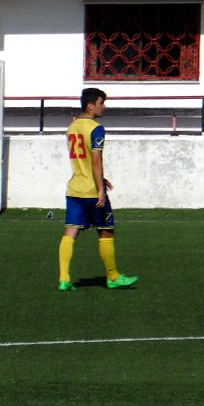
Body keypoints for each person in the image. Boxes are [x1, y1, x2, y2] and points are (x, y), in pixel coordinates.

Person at [58, 87, 138, 291]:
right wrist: (100, 188)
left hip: (75, 189)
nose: (105, 107)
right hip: (92, 191)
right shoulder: (96, 128)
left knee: (71, 231)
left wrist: (100, 178)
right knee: (106, 231)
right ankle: (113, 277)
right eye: (102, 103)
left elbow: (83, 159)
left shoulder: (72, 127)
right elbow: (95, 159)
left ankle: (64, 279)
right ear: (90, 105)